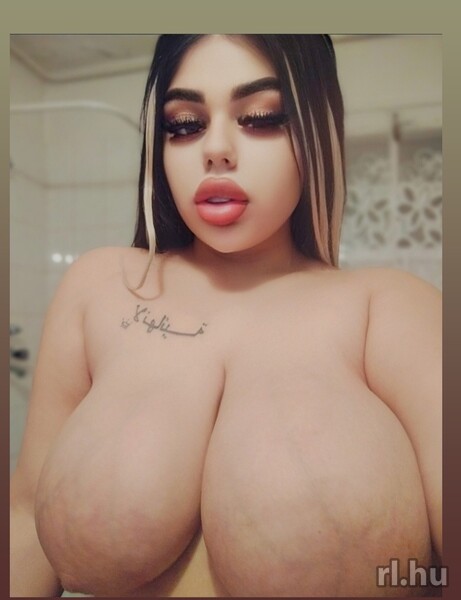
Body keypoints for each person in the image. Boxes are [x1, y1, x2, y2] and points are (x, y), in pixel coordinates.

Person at [10, 34, 442, 597]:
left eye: (261, 118)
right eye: (184, 124)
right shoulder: (100, 286)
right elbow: (25, 518)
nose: (215, 149)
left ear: (318, 129)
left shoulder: (391, 309)